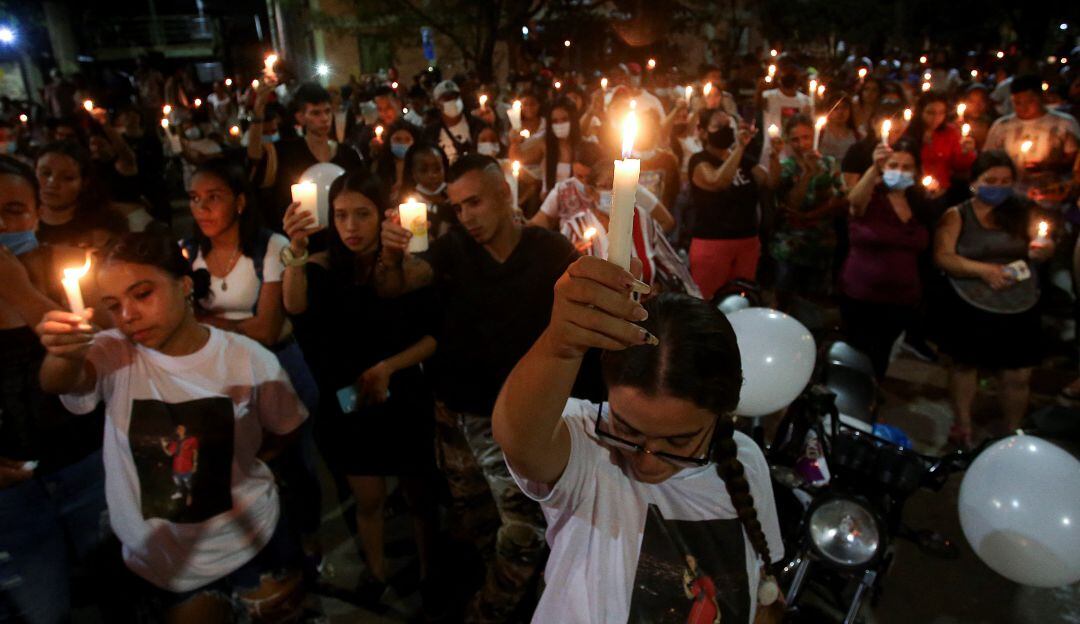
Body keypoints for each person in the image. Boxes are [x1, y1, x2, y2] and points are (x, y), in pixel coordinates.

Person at [35, 232, 308, 622]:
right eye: (113, 305)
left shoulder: (249, 360)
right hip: (160, 563)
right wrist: (62, 352)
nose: (127, 315)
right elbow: (60, 381)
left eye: (142, 294)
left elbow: (285, 429)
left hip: (251, 543)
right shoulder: (114, 353)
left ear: (183, 286)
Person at [491, 266, 783, 623]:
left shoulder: (746, 461)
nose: (647, 463)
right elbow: (522, 442)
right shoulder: (589, 445)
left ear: (721, 415)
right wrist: (561, 345)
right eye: (627, 431)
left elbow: (759, 591)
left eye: (679, 440)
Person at [377, 154, 581, 622]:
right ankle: (519, 603)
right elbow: (399, 285)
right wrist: (390, 257)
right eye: (458, 207)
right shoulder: (452, 251)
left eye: (475, 203)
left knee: (525, 531)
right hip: (456, 417)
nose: (467, 217)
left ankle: (488, 613)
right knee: (477, 522)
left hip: (520, 418)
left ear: (504, 195)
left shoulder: (548, 251)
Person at [281, 172, 440, 610]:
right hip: (348, 404)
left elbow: (432, 336)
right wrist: (294, 250)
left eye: (362, 214)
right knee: (367, 498)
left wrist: (389, 366)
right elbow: (294, 307)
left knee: (419, 495)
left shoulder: (404, 264)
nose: (351, 226)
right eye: (341, 215)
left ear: (382, 216)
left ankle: (430, 574)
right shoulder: (318, 267)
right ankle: (377, 572)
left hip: (401, 394)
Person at [0, 156, 120, 624]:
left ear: (36, 213)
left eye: (13, 210)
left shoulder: (69, 270)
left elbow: (100, 357)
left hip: (85, 464)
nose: (2, 225)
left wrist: (22, 293)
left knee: (119, 587)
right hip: (12, 493)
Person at [933, 151, 1053, 447]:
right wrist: (984, 270)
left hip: (1018, 302)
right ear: (974, 182)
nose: (998, 187)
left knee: (1017, 372)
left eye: (1005, 181)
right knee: (965, 365)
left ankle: (1012, 429)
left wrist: (1042, 250)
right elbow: (944, 256)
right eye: (991, 181)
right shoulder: (957, 215)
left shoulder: (1024, 210)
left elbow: (1042, 244)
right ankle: (963, 424)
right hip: (971, 301)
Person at [841, 138, 931, 378]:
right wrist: (874, 169)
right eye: (893, 165)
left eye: (906, 167)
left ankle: (872, 391)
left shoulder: (920, 204)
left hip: (901, 298)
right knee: (858, 353)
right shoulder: (871, 196)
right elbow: (853, 202)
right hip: (863, 295)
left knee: (881, 354)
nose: (899, 172)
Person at [689, 109, 782, 300]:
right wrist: (739, 148)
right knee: (709, 301)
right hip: (713, 243)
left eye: (728, 125)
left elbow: (770, 182)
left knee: (741, 300)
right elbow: (717, 181)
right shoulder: (699, 161)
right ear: (704, 132)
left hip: (747, 242)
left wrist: (774, 156)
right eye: (718, 126)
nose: (725, 130)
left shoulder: (744, 161)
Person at [248, 80, 365, 230]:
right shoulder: (286, 152)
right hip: (300, 235)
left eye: (327, 111)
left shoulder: (348, 154)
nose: (324, 119)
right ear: (300, 117)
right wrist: (258, 113)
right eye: (316, 113)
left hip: (343, 236)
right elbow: (254, 157)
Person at [769, 114, 848, 306]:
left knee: (813, 302)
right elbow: (791, 203)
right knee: (785, 297)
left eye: (806, 137)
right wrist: (808, 174)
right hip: (791, 244)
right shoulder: (788, 167)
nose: (801, 144)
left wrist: (813, 214)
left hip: (820, 242)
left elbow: (842, 198)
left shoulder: (829, 163)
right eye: (795, 139)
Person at [983, 74, 1079, 209]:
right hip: (1011, 199)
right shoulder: (1002, 126)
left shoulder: (1064, 124)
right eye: (1017, 102)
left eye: (1029, 101)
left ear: (1041, 97)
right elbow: (988, 159)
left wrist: (1046, 166)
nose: (1023, 107)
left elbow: (1074, 162)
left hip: (1050, 199)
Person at [35, 141, 128, 249]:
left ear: (84, 183)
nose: (52, 183)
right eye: (46, 173)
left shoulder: (105, 225)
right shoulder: (19, 219)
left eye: (67, 178)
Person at [901, 91, 977, 194]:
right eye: (930, 112)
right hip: (912, 189)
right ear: (920, 112)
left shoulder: (950, 132)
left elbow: (959, 165)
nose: (936, 118)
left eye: (941, 113)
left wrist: (967, 152)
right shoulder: (908, 132)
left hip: (942, 190)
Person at [756, 56, 811, 165]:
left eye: (793, 72)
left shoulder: (806, 101)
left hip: (796, 157)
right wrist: (760, 89)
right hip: (771, 155)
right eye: (785, 72)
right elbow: (758, 105)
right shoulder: (769, 96)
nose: (789, 76)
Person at [401, 142, 455, 239]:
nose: (432, 175)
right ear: (413, 173)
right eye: (423, 170)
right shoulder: (407, 208)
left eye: (437, 169)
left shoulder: (456, 196)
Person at [425, 80, 485, 164]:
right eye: (447, 98)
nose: (453, 101)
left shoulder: (477, 125)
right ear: (437, 104)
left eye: (456, 97)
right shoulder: (430, 133)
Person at [371, 120, 419, 202]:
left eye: (407, 140)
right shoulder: (380, 165)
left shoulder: (418, 165)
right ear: (389, 141)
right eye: (397, 139)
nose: (403, 143)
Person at [818, 93, 860, 161]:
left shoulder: (857, 135)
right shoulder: (820, 133)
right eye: (835, 108)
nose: (840, 112)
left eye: (844, 108)